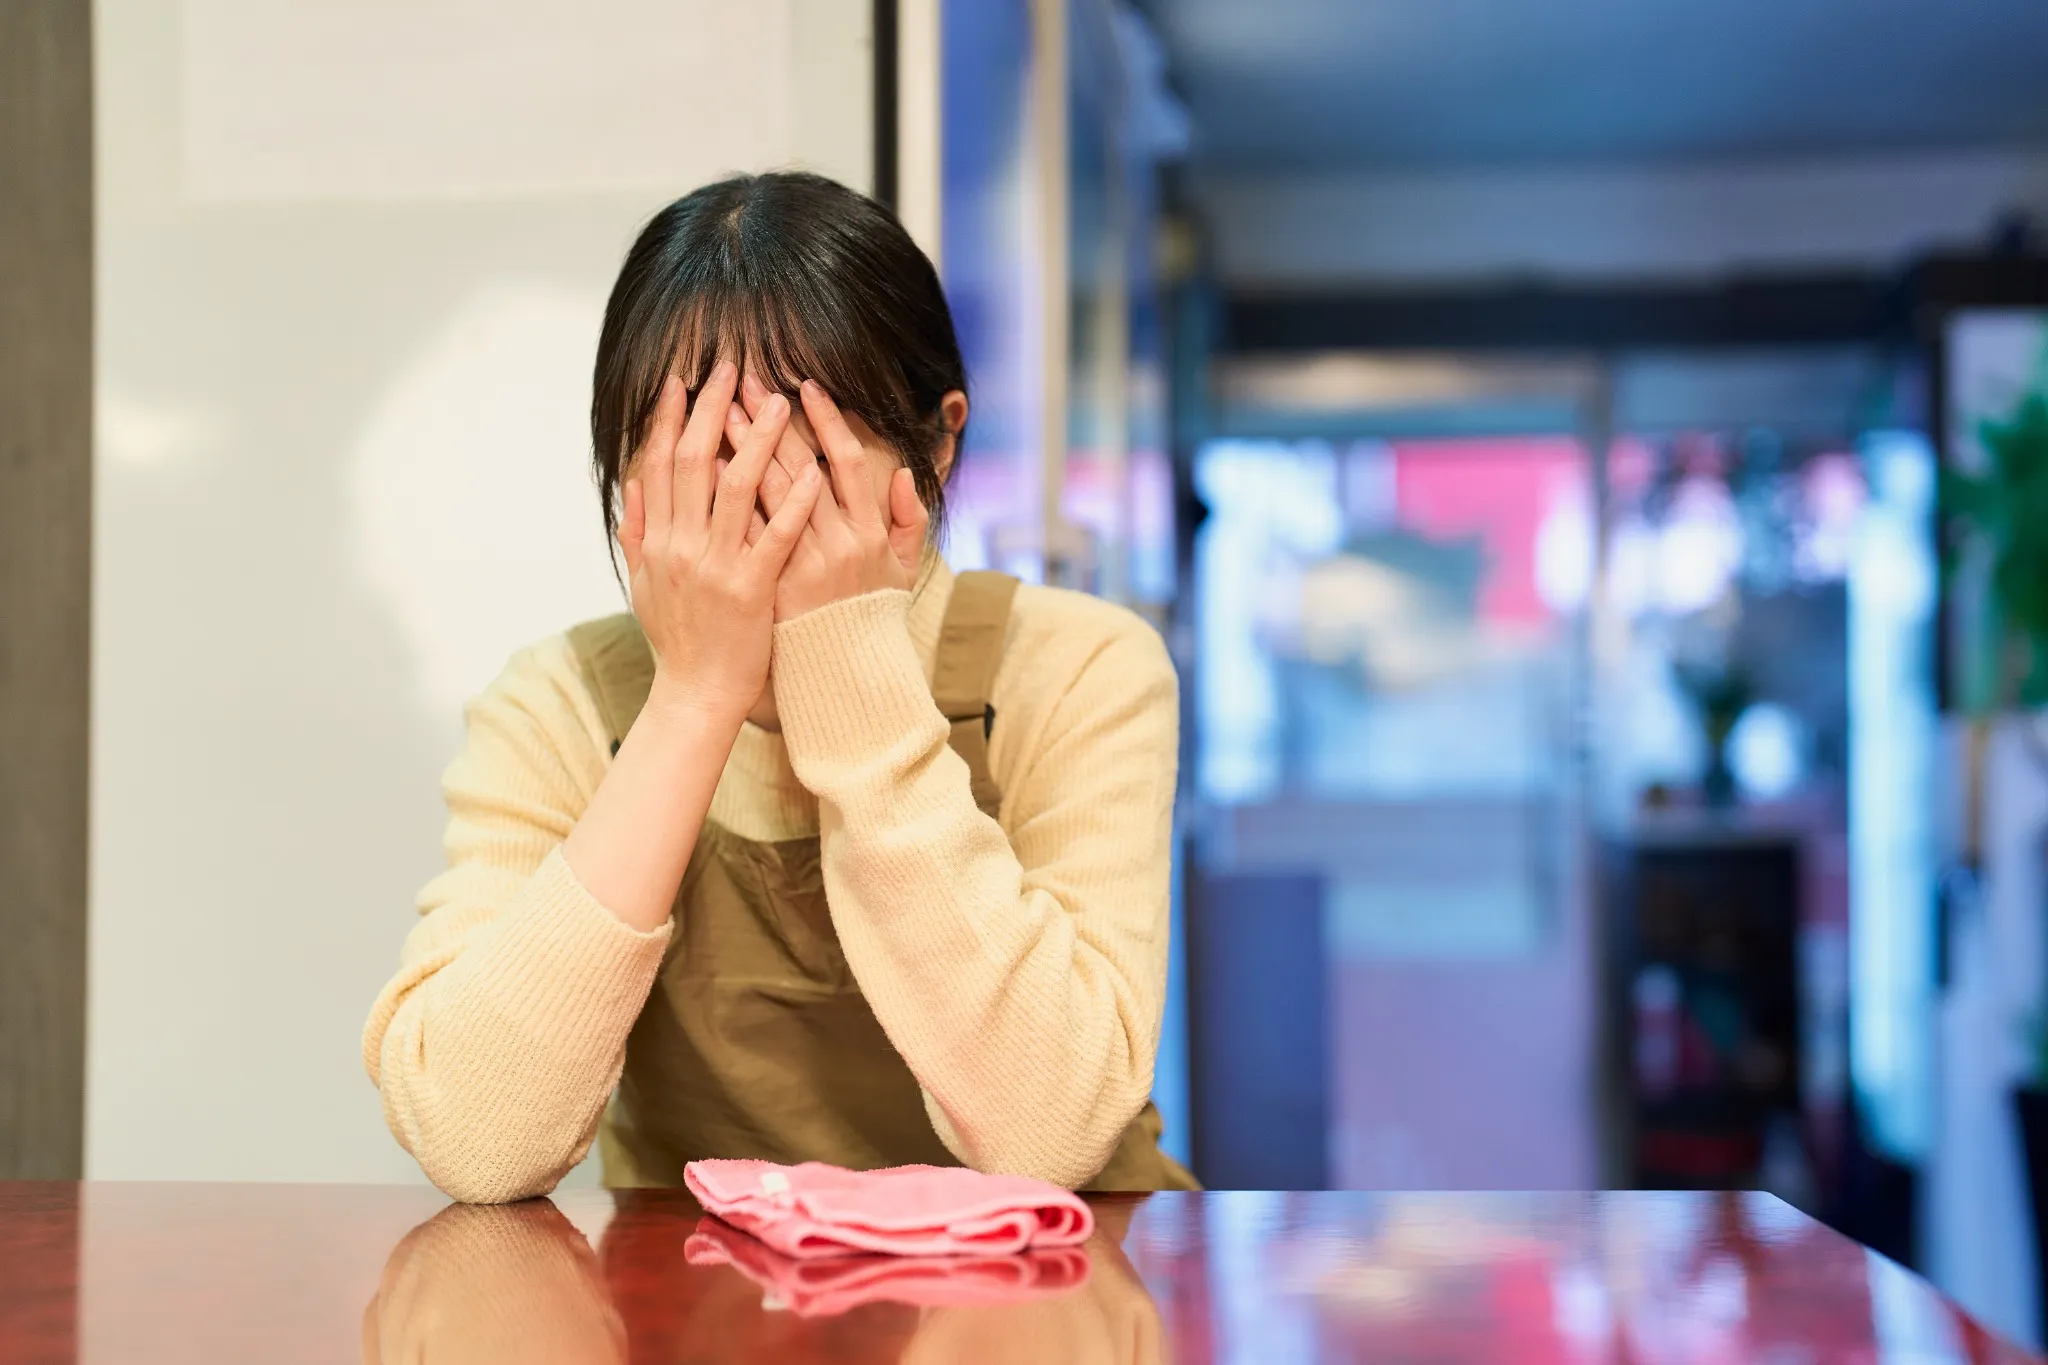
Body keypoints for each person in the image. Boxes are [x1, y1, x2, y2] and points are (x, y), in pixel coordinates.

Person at [361, 172, 1194, 1203]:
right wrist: (691, 698)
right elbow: (473, 1140)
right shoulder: (559, 702)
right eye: (701, 453)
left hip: (1058, 1284)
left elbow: (1051, 1131)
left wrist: (846, 664)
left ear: (937, 442)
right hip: (694, 1285)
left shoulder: (1076, 670)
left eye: (800, 451)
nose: (747, 504)